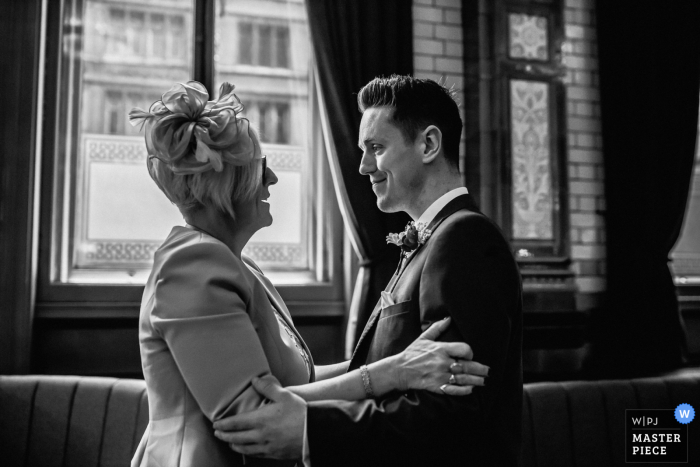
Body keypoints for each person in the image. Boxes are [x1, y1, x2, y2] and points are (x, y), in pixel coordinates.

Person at [127, 81, 489, 467]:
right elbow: (252, 416)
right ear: (224, 183)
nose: (272, 180)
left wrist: (399, 365)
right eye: (261, 168)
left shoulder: (240, 266)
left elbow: (298, 383)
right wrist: (392, 372)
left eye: (377, 147)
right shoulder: (194, 262)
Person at [213, 75, 524, 467]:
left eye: (376, 148)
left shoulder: (466, 240)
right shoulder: (434, 239)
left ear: (429, 144)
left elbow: (453, 411)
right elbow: (379, 368)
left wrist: (312, 430)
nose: (363, 167)